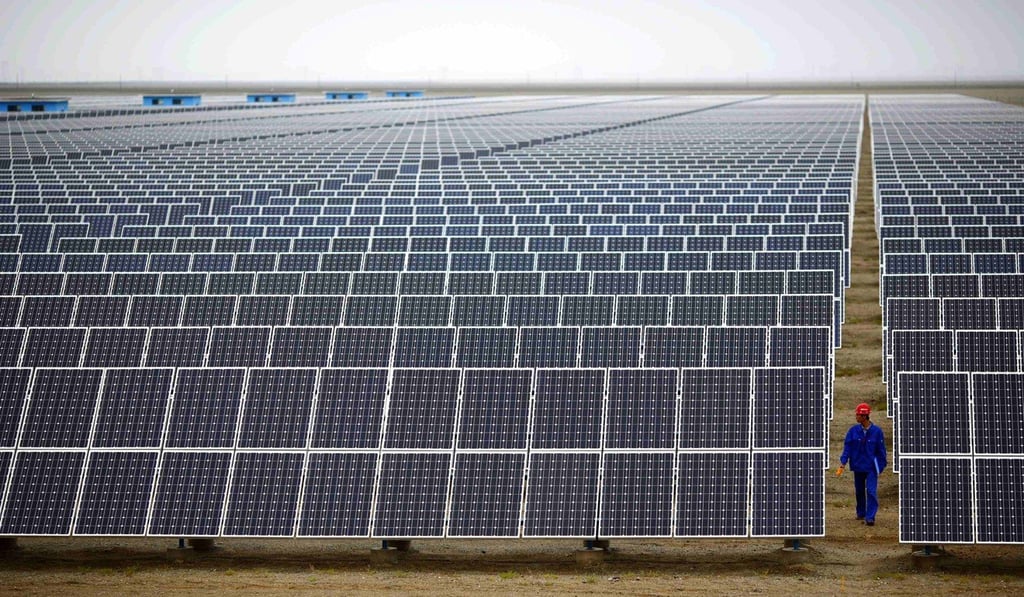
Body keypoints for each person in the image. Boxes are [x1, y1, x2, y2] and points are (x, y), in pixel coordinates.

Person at [836, 402, 887, 526]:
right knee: (859, 491)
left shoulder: (877, 432)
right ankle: (861, 513)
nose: (856, 417)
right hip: (858, 466)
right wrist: (843, 462)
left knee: (871, 491)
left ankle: (870, 517)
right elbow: (847, 447)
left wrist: (880, 466)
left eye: (858, 415)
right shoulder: (853, 431)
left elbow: (881, 451)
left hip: (871, 467)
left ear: (864, 416)